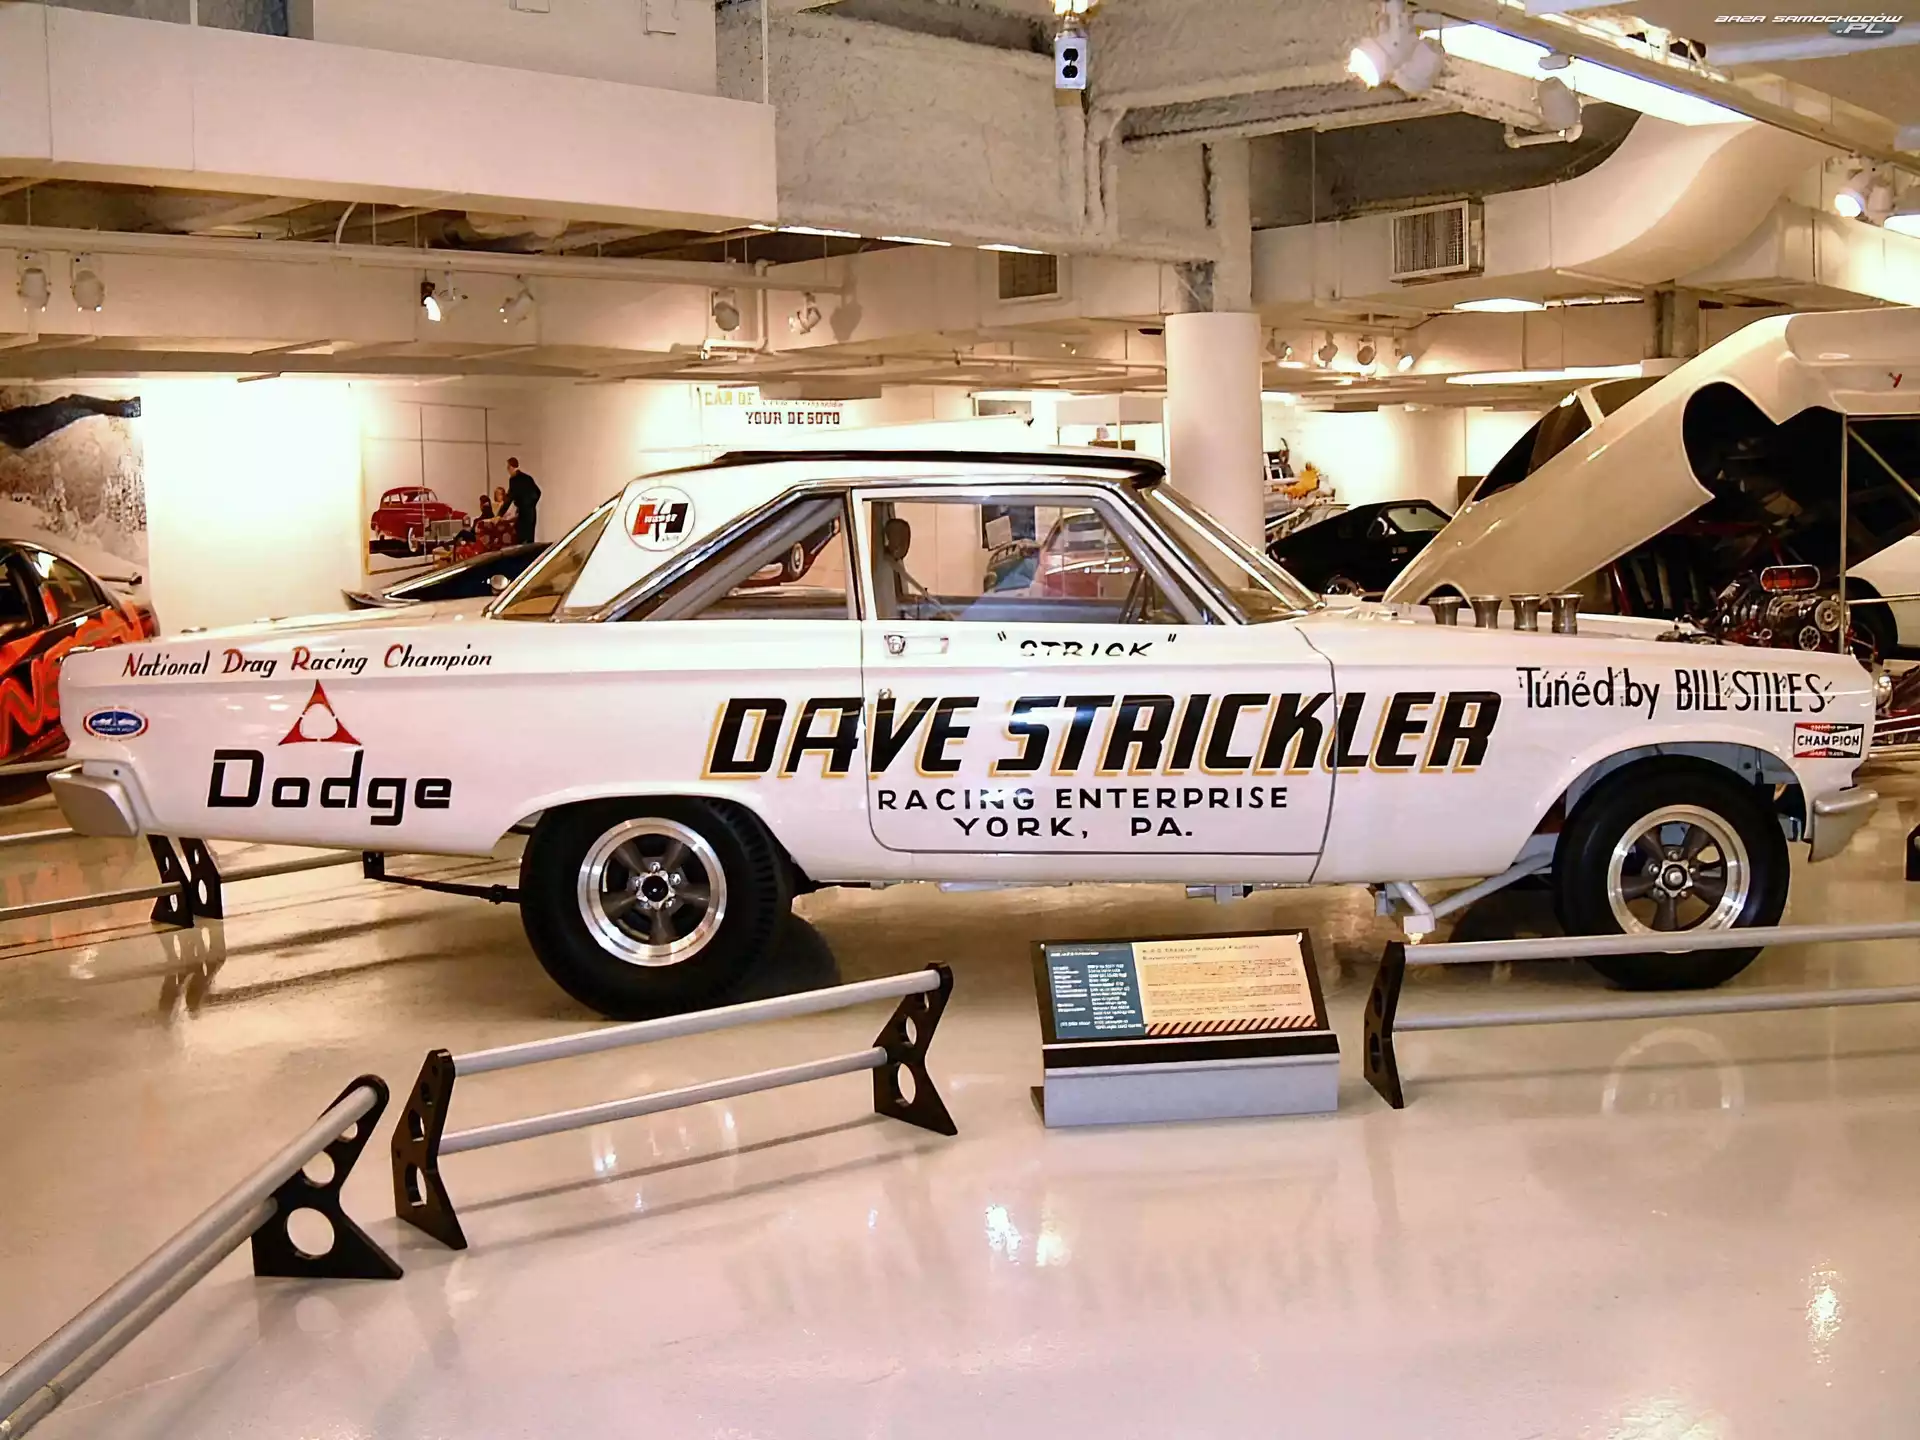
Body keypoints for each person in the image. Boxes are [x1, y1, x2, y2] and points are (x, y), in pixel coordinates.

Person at [501, 458, 541, 546]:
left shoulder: (514, 480)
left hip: (522, 513)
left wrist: (500, 514)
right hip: (531, 512)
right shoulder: (528, 478)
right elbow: (538, 492)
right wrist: (531, 503)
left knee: (520, 539)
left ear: (511, 467)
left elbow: (510, 498)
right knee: (530, 539)